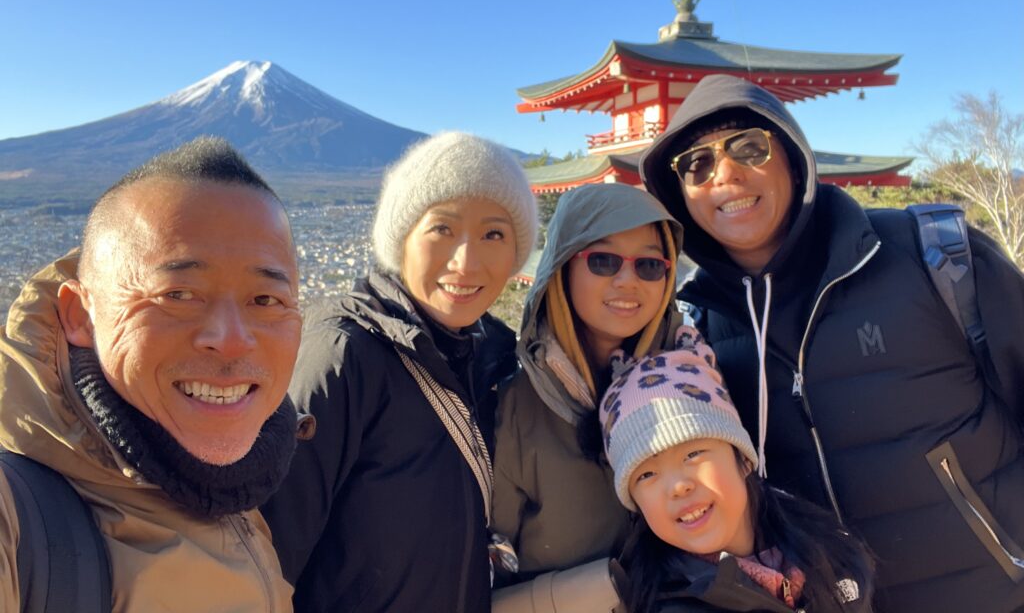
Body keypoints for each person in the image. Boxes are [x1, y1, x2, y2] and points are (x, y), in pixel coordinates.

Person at [638, 74, 1024, 612]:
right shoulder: (701, 334)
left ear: (794, 159)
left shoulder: (930, 257)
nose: (724, 173)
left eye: (749, 147)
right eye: (696, 164)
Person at [0, 136, 302, 611]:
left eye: (266, 300)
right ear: (81, 315)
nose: (231, 339)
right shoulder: (15, 517)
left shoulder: (241, 488)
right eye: (178, 294)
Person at [261, 131, 537, 613]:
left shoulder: (491, 355)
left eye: (494, 233)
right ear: (400, 239)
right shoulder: (344, 353)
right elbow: (266, 554)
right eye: (441, 229)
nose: (465, 261)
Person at [491, 182, 683, 610]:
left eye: (650, 265)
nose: (627, 280)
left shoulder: (690, 381)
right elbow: (483, 575)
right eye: (603, 259)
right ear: (561, 267)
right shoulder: (513, 409)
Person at [600, 342, 873, 613]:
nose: (678, 486)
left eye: (692, 454)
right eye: (646, 474)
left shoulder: (829, 550)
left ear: (743, 459)